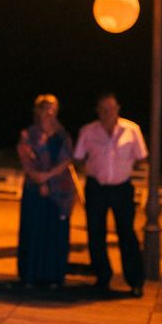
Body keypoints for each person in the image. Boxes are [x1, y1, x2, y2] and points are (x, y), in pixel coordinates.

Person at [73, 93, 147, 297]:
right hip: (96, 186)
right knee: (96, 233)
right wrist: (92, 167)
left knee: (127, 234)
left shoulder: (132, 130)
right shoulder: (88, 131)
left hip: (122, 187)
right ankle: (102, 277)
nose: (107, 113)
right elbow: (78, 157)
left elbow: (142, 157)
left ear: (118, 109)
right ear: (97, 111)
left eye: (111, 109)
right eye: (103, 109)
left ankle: (135, 280)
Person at [17, 94, 75, 288]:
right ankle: (30, 276)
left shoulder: (62, 135)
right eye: (45, 107)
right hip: (35, 190)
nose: (49, 112)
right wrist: (38, 179)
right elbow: (26, 160)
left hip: (59, 192)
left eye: (53, 108)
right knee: (34, 232)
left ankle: (54, 276)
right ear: (38, 110)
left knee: (55, 233)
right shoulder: (29, 135)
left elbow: (67, 160)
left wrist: (47, 177)